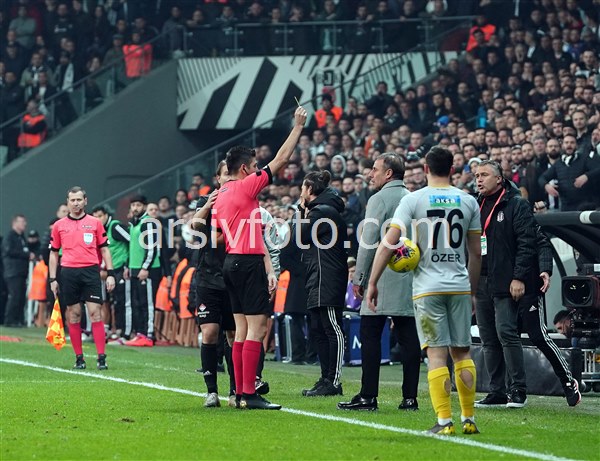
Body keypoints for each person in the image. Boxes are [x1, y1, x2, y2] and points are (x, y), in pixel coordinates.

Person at [367, 146, 482, 435]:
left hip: (427, 288)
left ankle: (444, 421)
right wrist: (472, 291)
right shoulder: (469, 201)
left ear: (426, 169)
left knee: (437, 355)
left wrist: (372, 282)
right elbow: (476, 254)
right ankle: (469, 418)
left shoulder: (413, 200)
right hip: (459, 285)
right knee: (462, 353)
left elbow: (389, 243)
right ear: (452, 169)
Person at [213, 106, 307, 410]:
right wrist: (297, 126)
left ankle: (240, 393)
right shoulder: (246, 186)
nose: (257, 170)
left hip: (231, 262)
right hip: (248, 262)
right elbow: (281, 160)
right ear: (244, 169)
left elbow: (218, 235)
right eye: (254, 166)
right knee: (258, 330)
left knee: (241, 330)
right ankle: (249, 394)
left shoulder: (221, 195)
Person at [338, 153, 421, 411]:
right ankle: (410, 397)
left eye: (374, 169)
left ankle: (368, 395)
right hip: (409, 275)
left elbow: (369, 241)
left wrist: (360, 278)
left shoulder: (379, 199)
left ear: (388, 173)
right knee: (409, 337)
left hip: (381, 278)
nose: (370, 173)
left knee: (370, 335)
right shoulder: (414, 198)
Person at [473, 160, 537, 409]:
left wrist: (519, 277)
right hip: (481, 280)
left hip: (505, 280)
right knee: (488, 338)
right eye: (476, 175)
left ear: (499, 179)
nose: (479, 179)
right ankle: (496, 391)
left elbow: (527, 243)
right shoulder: (475, 204)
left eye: (484, 175)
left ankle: (518, 389)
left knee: (507, 333)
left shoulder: (516, 204)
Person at [48, 187, 116, 370]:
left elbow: (105, 250)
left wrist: (111, 274)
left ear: (85, 201)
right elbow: (53, 254)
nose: (76, 203)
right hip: (69, 272)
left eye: (79, 200)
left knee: (95, 312)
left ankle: (101, 357)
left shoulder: (95, 223)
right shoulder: (59, 225)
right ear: (68, 202)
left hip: (90, 271)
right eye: (72, 200)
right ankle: (79, 358)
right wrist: (53, 279)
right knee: (74, 314)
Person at [295, 170, 348, 397]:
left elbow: (300, 237)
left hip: (328, 276)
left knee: (332, 328)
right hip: (317, 275)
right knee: (318, 329)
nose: (300, 193)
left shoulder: (323, 211)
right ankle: (326, 378)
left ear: (309, 189)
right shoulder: (320, 210)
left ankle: (334, 381)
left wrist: (300, 210)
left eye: (302, 188)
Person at [517, 224, 581, 406]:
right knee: (506, 337)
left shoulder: (522, 215)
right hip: (500, 288)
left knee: (538, 336)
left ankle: (568, 381)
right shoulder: (483, 212)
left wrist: (545, 269)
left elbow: (542, 244)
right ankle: (511, 389)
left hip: (528, 285)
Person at [125, 195, 170, 345]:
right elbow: (132, 248)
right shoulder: (134, 223)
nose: (135, 208)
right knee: (137, 303)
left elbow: (152, 248)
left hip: (148, 270)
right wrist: (128, 266)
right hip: (134, 268)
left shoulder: (148, 222)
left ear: (144, 206)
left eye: (138, 205)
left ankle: (149, 334)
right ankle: (140, 333)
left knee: (147, 303)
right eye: (133, 205)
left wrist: (145, 268)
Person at [91, 206, 130, 340]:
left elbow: (132, 240)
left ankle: (122, 331)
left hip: (120, 269)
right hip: (107, 271)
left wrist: (128, 264)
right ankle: (109, 329)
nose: (98, 219)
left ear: (107, 215)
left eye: (100, 216)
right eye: (95, 217)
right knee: (107, 301)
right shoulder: (99, 230)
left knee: (121, 301)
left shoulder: (115, 227)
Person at [2, 215, 32, 327]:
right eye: (22, 221)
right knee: (14, 295)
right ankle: (9, 320)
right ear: (15, 223)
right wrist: (26, 254)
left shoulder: (22, 237)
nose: (25, 224)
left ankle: (18, 320)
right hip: (13, 272)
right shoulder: (10, 236)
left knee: (20, 297)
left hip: (21, 272)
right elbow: (8, 250)